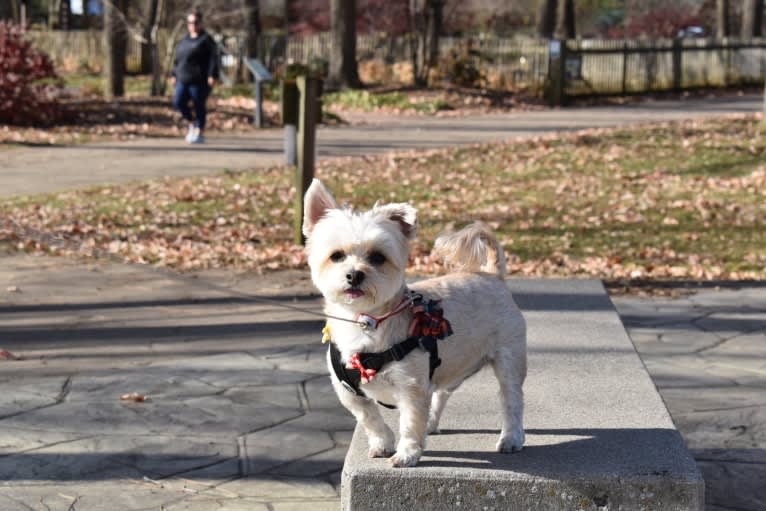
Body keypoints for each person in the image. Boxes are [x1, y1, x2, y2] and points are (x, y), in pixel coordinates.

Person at [171, 10, 219, 144]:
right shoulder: (184, 40)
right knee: (178, 102)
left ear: (200, 23)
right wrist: (174, 74)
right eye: (190, 22)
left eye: (195, 22)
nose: (192, 25)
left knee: (199, 105)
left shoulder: (206, 40)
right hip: (183, 77)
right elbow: (178, 59)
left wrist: (212, 75)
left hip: (199, 79)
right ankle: (192, 123)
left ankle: (199, 131)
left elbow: (213, 59)